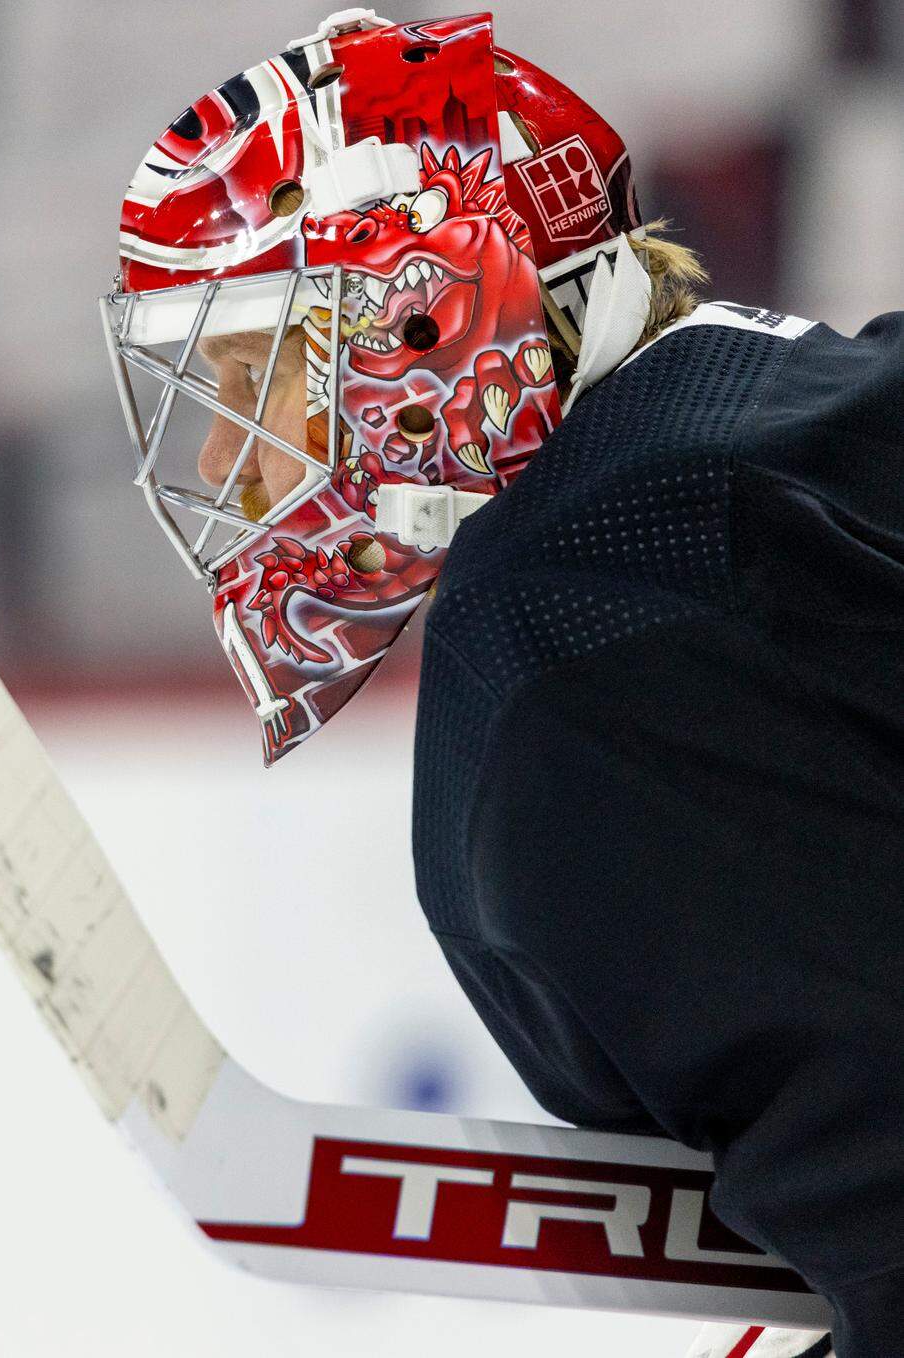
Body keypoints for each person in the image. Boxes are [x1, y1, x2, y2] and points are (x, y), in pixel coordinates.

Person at [103, 12, 904, 1356]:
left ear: (436, 306)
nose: (248, 472)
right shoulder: (786, 406)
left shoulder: (566, 640)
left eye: (268, 377)